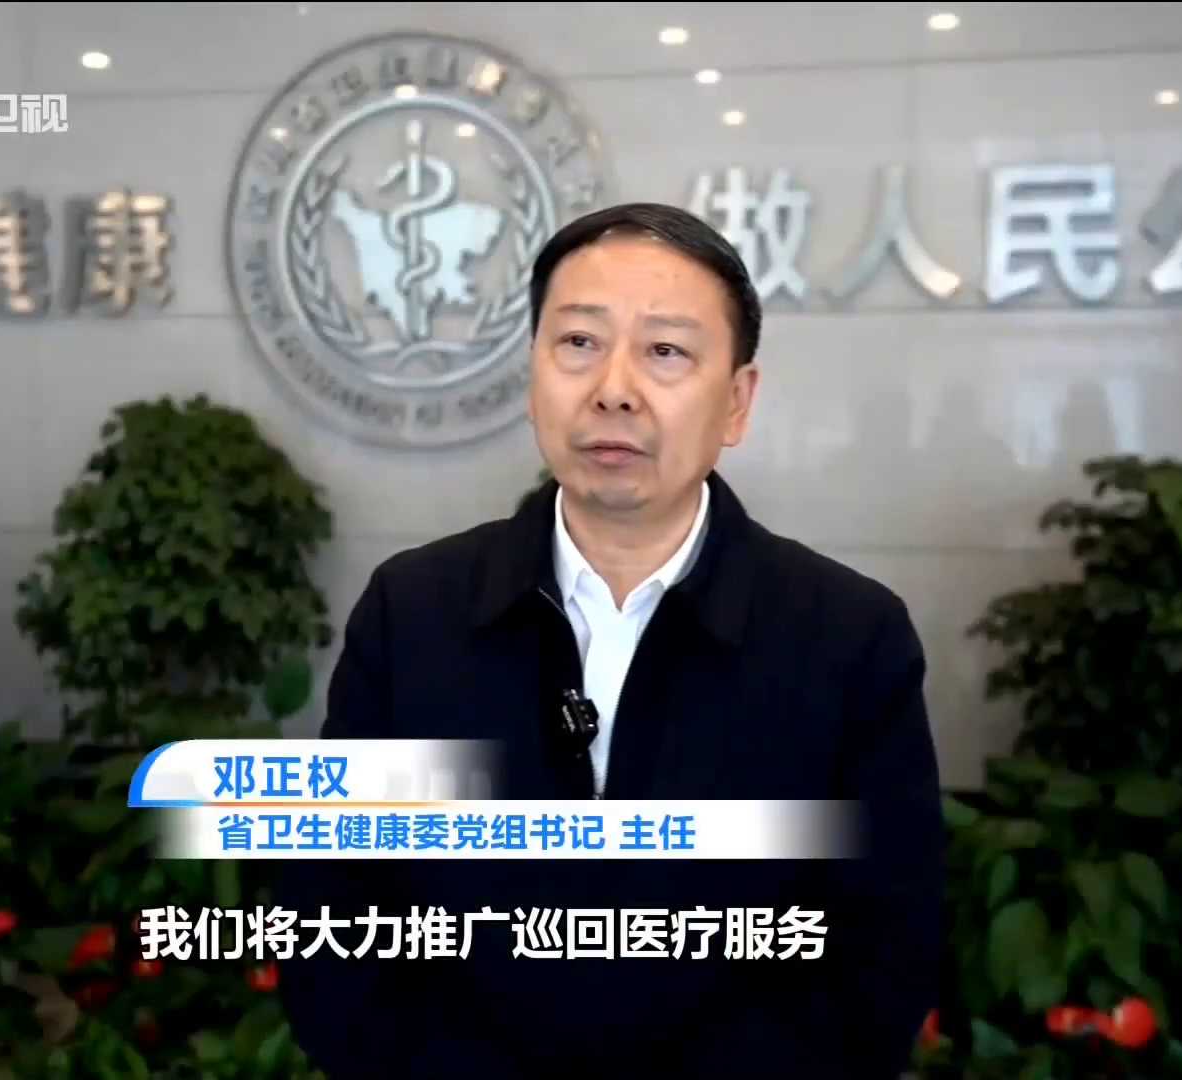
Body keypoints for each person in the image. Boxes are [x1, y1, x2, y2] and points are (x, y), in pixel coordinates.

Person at [279, 203, 944, 1080]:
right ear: (532, 378)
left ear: (736, 401)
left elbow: (880, 954)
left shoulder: (849, 637)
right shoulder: (413, 612)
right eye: (579, 343)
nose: (614, 389)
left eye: (665, 351)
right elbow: (334, 918)